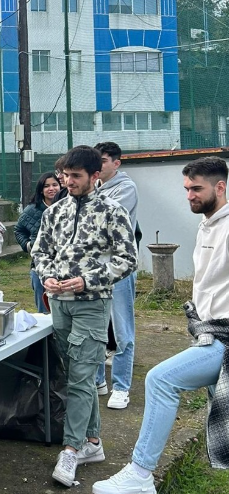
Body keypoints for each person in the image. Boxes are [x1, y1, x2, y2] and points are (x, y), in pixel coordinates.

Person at [93, 156, 229, 494]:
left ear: (220, 187)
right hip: (207, 331)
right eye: (186, 189)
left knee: (160, 379)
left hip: (224, 338)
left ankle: (140, 472)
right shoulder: (207, 225)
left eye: (196, 188)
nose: (189, 196)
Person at [31, 145, 136, 488]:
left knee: (81, 377)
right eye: (65, 176)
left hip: (92, 302)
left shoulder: (113, 210)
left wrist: (88, 279)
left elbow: (126, 259)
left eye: (75, 176)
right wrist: (46, 274)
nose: (68, 182)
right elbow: (40, 251)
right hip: (58, 302)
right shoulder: (54, 212)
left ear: (95, 176)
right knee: (75, 373)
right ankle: (93, 442)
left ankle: (71, 449)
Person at [93, 141, 139, 409]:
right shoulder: (96, 187)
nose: (97, 166)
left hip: (119, 267)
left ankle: (121, 387)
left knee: (122, 330)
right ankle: (99, 379)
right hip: (97, 267)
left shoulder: (126, 188)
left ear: (116, 163)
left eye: (102, 161)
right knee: (97, 326)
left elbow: (102, 220)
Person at [15, 172, 61, 312]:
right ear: (41, 189)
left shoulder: (68, 207)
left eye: (54, 185)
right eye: (46, 186)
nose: (51, 188)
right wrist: (28, 245)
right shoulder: (31, 210)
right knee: (44, 308)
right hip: (39, 266)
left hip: (63, 264)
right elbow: (18, 230)